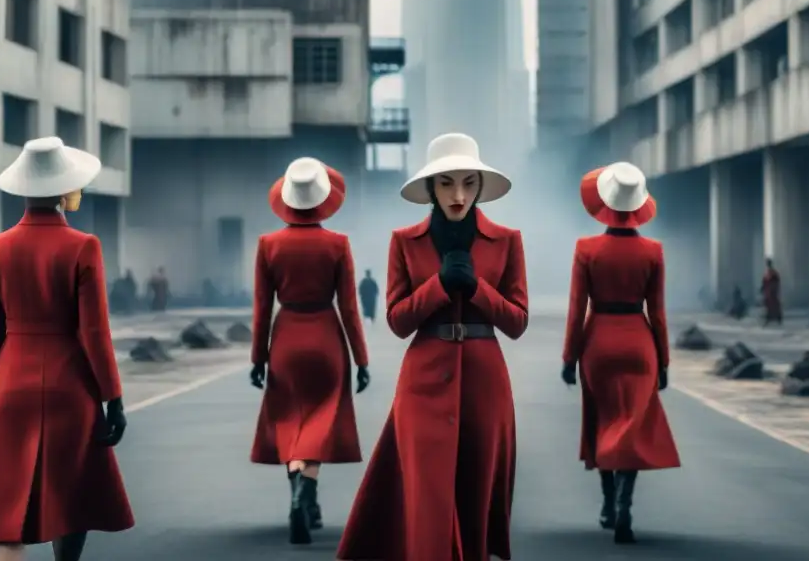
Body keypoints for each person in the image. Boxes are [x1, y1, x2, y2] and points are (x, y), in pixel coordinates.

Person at [337, 133, 528, 561]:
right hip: (422, 383)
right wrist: (438, 286)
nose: (458, 194)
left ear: (480, 185)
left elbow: (517, 322)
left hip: (485, 383)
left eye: (467, 182)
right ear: (429, 188)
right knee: (428, 499)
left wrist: (476, 288)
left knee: (475, 496)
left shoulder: (508, 239)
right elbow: (397, 321)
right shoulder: (405, 241)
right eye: (445, 183)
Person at [0, 137, 133, 560]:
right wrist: (112, 397)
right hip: (69, 385)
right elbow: (95, 333)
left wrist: (2, 386)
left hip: (11, 382)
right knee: (69, 495)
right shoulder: (83, 246)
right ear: (65, 191)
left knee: (7, 505)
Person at [249, 157, 370, 545]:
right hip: (326, 337)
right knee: (320, 420)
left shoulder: (269, 245)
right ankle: (309, 495)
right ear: (323, 200)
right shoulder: (338, 245)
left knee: (289, 419)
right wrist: (362, 360)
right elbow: (350, 308)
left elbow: (261, 307)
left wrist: (257, 358)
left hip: (286, 339)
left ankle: (298, 492)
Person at [561, 162, 680, 544]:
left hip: (598, 344)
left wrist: (568, 357)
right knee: (632, 425)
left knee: (602, 420)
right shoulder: (653, 251)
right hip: (638, 343)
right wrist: (663, 360)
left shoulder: (586, 249)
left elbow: (576, 308)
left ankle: (608, 503)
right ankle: (627, 503)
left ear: (605, 204)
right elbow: (658, 314)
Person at [761, 258, 782, 326]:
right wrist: (763, 288)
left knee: (774, 305)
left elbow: (776, 281)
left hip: (772, 292)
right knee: (769, 306)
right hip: (768, 293)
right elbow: (765, 282)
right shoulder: (767, 272)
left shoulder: (773, 272)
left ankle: (777, 318)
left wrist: (772, 288)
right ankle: (769, 318)